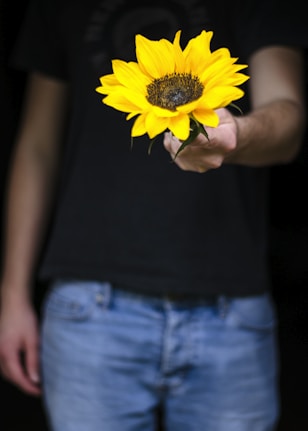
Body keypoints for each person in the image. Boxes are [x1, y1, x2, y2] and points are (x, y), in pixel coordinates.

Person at [0, 0, 306, 430]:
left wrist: (237, 134)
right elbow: (37, 147)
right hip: (88, 308)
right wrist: (12, 298)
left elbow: (287, 117)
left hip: (230, 310)